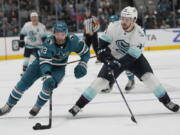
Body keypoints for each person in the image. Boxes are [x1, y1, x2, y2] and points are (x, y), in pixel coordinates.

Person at [68, 6, 179, 116]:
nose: (123, 21)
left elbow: (131, 57)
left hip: (135, 60)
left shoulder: (139, 34)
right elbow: (102, 46)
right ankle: (78, 105)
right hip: (114, 56)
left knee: (149, 78)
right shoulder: (113, 26)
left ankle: (167, 102)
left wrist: (116, 64)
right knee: (100, 82)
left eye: (127, 19)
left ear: (134, 20)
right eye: (122, 18)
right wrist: (106, 57)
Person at [0, 21, 90, 117]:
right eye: (57, 34)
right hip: (39, 64)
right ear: (53, 33)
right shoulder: (48, 43)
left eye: (62, 34)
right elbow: (45, 63)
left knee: (48, 86)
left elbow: (85, 52)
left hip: (58, 68)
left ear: (66, 33)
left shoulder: (73, 41)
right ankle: (8, 105)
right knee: (23, 83)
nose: (59, 37)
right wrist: (47, 74)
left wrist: (83, 63)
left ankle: (38, 105)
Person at [101, 14, 135, 93]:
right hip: (114, 53)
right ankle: (109, 84)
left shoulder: (127, 30)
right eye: (111, 23)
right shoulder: (108, 31)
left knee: (127, 66)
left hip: (125, 52)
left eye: (115, 22)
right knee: (110, 67)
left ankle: (131, 81)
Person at [19, 11, 47, 76]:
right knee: (26, 59)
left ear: (37, 18)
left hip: (39, 46)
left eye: (35, 17)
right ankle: (24, 71)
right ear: (30, 18)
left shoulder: (42, 26)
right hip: (29, 45)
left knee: (41, 59)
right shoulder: (27, 25)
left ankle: (43, 71)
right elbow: (22, 34)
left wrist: (46, 45)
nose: (34, 19)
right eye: (32, 17)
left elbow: (44, 38)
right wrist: (21, 41)